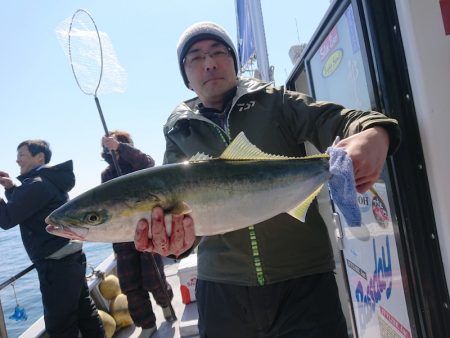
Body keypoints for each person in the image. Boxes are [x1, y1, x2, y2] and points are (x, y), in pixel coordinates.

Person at [134, 22, 402, 338]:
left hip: (304, 281)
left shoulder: (276, 101)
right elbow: (180, 216)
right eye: (195, 58)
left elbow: (340, 120)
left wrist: (375, 132)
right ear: (186, 77)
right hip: (222, 291)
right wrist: (176, 246)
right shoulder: (178, 131)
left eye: (218, 52)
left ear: (233, 61)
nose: (209, 63)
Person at [0, 140, 104, 338]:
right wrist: (11, 188)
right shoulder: (48, 181)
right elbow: (29, 208)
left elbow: (6, 219)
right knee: (85, 313)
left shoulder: (36, 184)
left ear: (39, 157)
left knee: (61, 326)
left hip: (55, 266)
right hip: (71, 259)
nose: (17, 160)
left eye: (22, 154)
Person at [101, 130, 174, 338]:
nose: (111, 147)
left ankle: (166, 305)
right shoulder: (107, 174)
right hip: (123, 240)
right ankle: (147, 324)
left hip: (147, 232)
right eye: (108, 145)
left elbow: (148, 163)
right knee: (130, 286)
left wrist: (120, 148)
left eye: (118, 143)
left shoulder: (138, 164)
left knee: (154, 279)